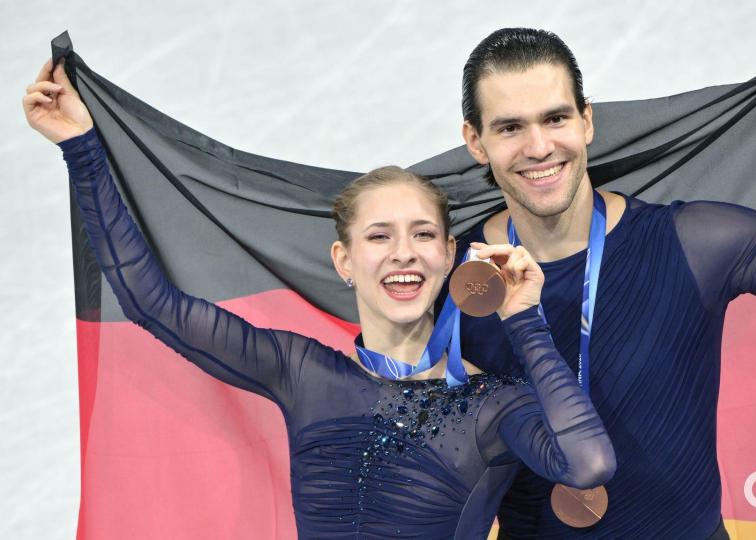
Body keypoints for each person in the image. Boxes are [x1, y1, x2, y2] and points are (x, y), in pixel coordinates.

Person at [23, 58, 616, 539]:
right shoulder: (302, 371)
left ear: (447, 255)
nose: (403, 253)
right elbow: (150, 302)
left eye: (423, 235)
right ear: (344, 261)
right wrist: (81, 148)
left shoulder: (492, 404)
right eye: (378, 237)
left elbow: (588, 464)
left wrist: (523, 317)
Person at [448, 21, 756, 539]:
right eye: (510, 128)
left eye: (556, 118)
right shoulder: (452, 282)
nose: (539, 146)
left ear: (586, 121)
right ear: (475, 142)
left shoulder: (693, 243)